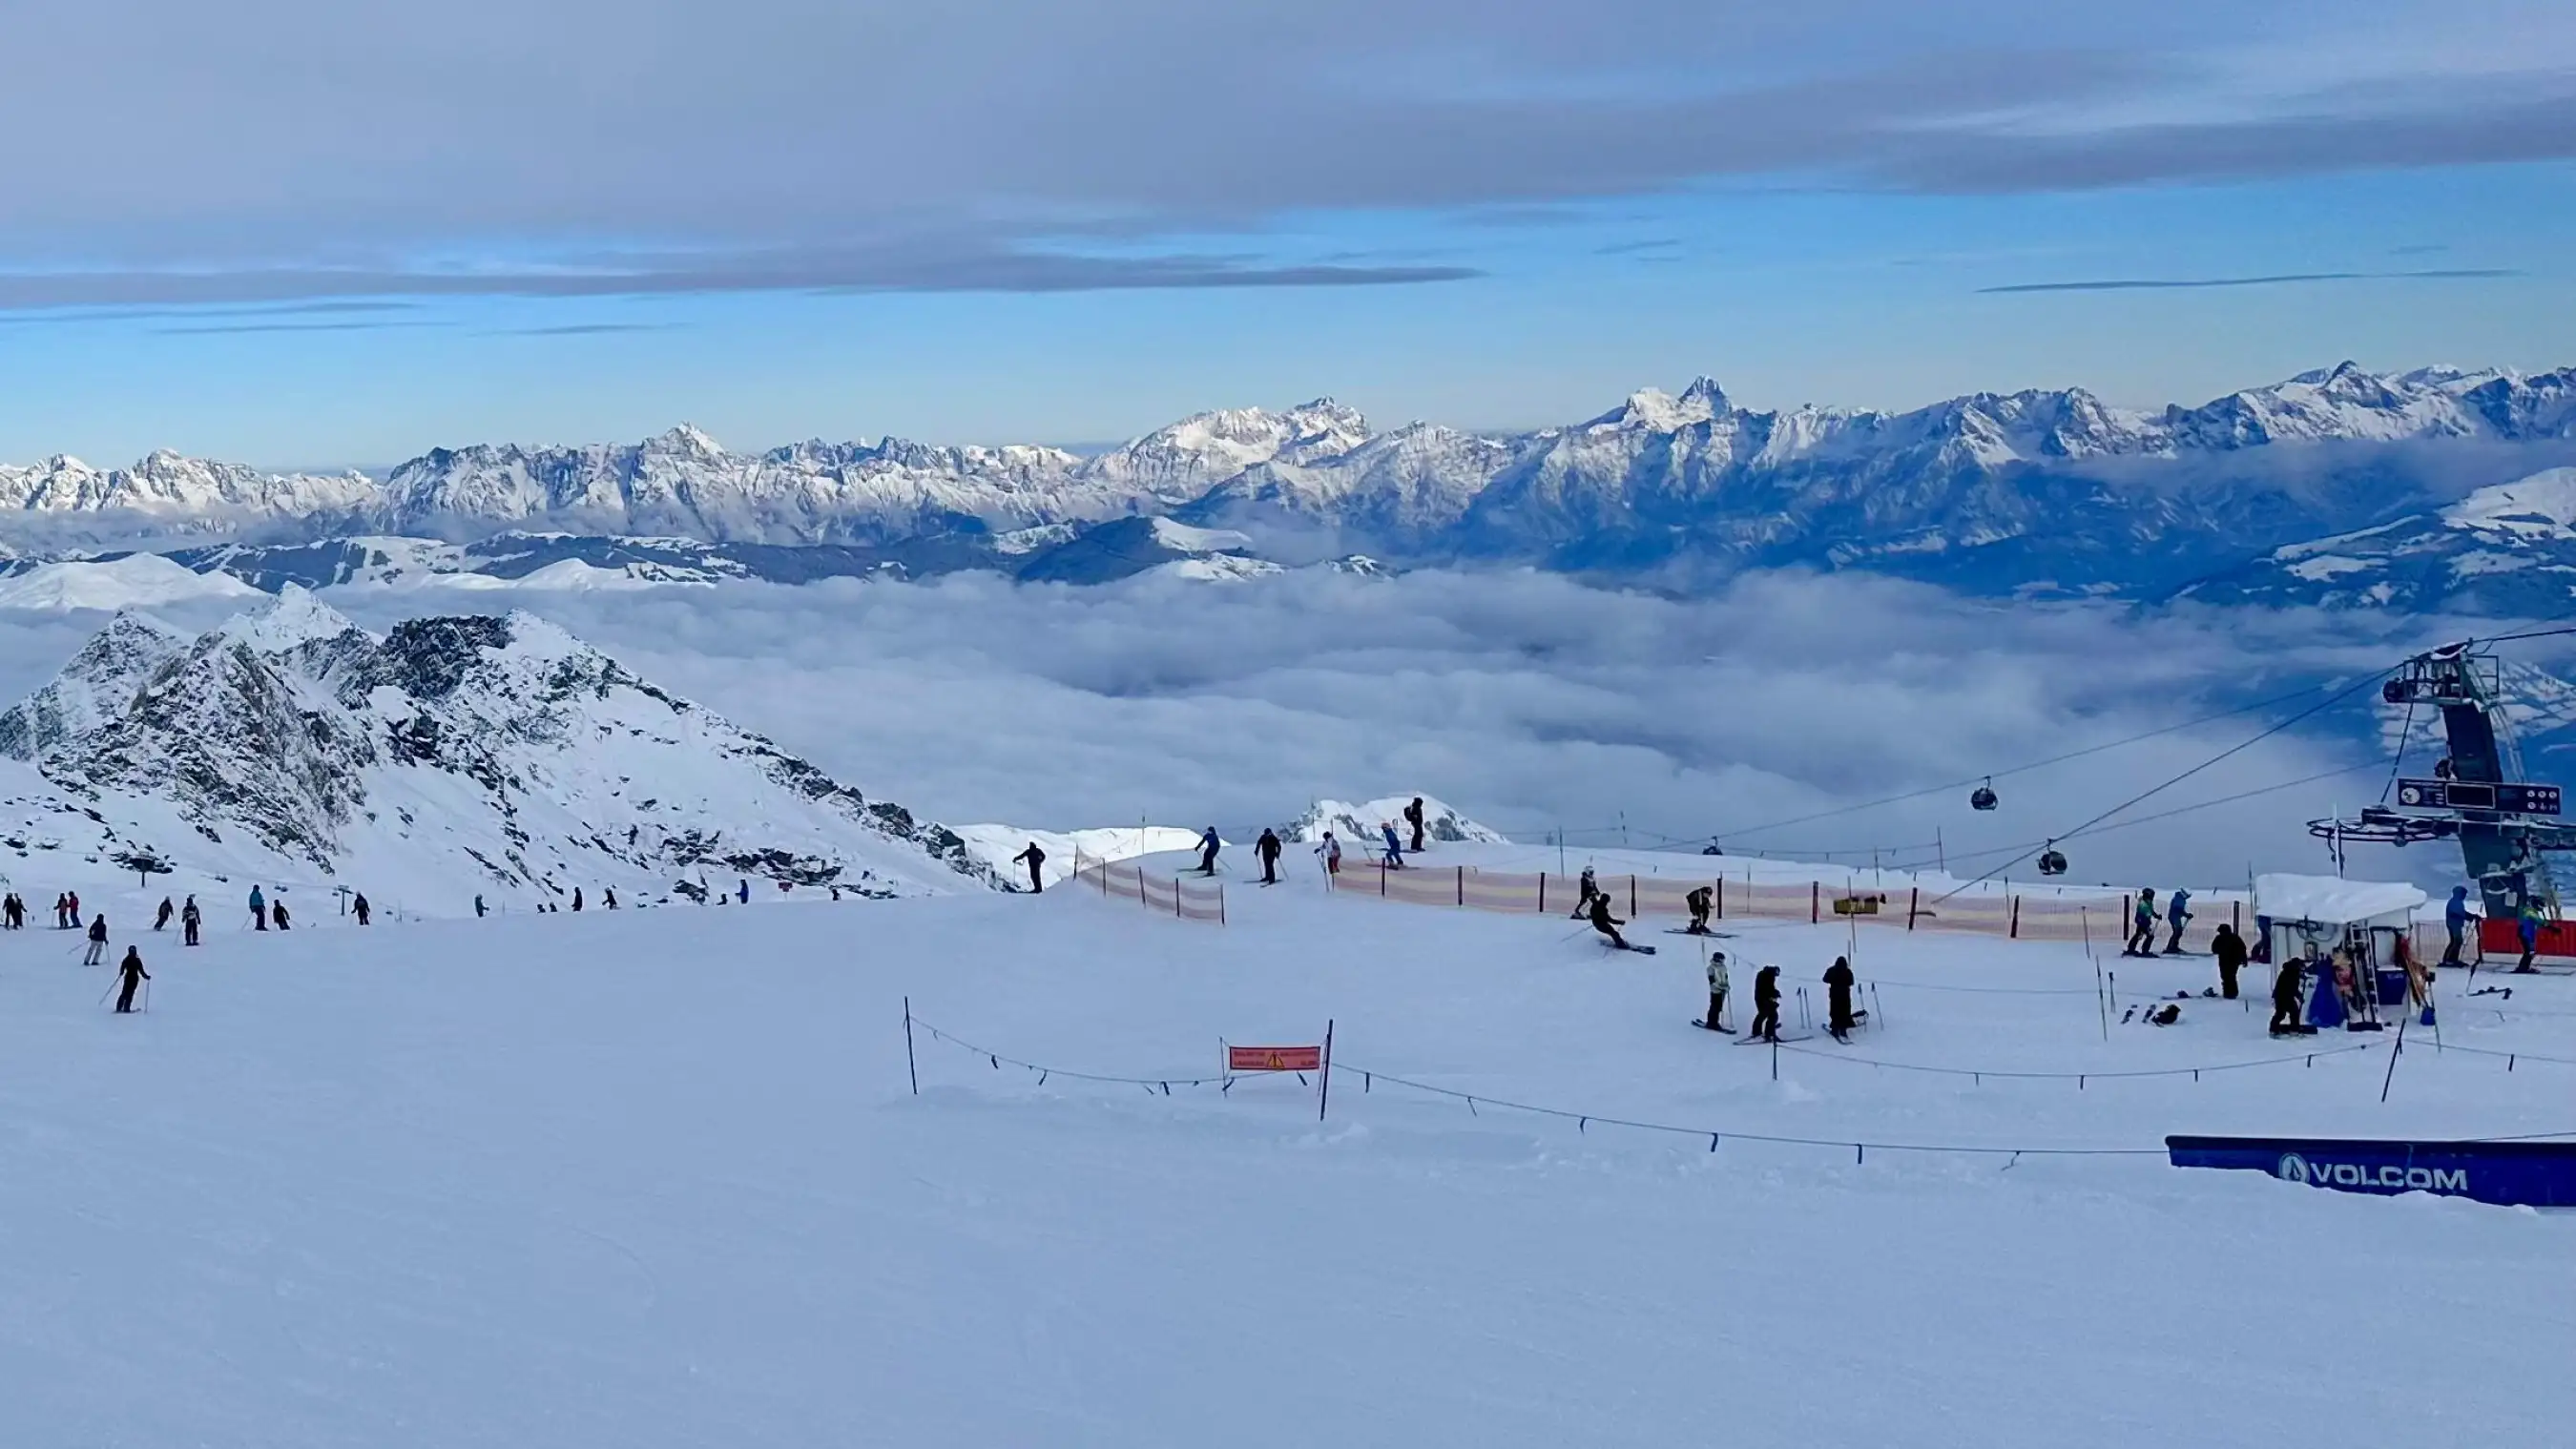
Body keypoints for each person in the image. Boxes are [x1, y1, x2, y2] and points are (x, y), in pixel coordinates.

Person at [2270, 951, 2310, 1035]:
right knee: (2287, 1013)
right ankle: (2292, 1030)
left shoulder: (2289, 971)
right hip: (2282, 997)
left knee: (2286, 1013)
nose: (2302, 970)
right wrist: (2299, 997)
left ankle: (2275, 1029)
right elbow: (2292, 988)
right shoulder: (2291, 974)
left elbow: (2292, 988)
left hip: (2285, 996)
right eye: (2301, 968)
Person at [1823, 955, 1858, 1042]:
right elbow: (1851, 982)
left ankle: (1835, 1029)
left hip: (1835, 994)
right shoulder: (1848, 971)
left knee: (1835, 1012)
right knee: (1844, 1012)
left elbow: (1825, 979)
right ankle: (1843, 1030)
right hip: (1845, 995)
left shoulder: (1832, 970)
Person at [2211, 921, 2248, 1000]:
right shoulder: (2235, 938)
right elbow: (2243, 949)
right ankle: (2232, 992)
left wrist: (2221, 950)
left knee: (2226, 976)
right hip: (2234, 960)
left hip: (2225, 960)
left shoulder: (2219, 938)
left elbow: (2214, 949)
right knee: (2231, 976)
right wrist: (2244, 960)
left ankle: (2228, 992)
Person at [2443, 885, 2478, 965]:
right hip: (2454, 924)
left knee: (2454, 942)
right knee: (2457, 941)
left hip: (2454, 924)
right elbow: (2457, 913)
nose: (2464, 896)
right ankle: (2450, 960)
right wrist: (2469, 916)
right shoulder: (2455, 902)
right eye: (2464, 894)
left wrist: (2471, 916)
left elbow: (2461, 913)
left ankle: (2450, 959)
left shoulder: (2456, 901)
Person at [1749, 964, 1783, 1043]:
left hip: (1763, 998)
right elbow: (1764, 989)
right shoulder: (1766, 976)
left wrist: (1775, 992)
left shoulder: (1768, 975)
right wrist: (1773, 994)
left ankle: (1758, 1031)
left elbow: (1770, 987)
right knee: (1772, 1015)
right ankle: (1769, 1033)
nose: (1777, 975)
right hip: (1763, 999)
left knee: (1764, 1014)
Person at [113, 945, 149, 1014]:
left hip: (128, 977)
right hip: (134, 978)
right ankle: (126, 1008)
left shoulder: (127, 959)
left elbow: (123, 966)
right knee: (130, 993)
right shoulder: (137, 960)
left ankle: (119, 1007)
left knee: (125, 992)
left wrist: (121, 972)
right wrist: (146, 976)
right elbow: (141, 970)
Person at [2124, 887, 2157, 957]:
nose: (2152, 897)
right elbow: (2141, 914)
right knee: (2150, 936)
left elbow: (2150, 911)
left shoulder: (2148, 902)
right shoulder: (2143, 903)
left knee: (2138, 935)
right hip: (2142, 922)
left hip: (2145, 922)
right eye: (2152, 895)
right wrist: (2142, 922)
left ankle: (2131, 949)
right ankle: (2144, 951)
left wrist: (2156, 915)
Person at [1702, 950, 1730, 1030]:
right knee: (1714, 1007)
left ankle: (1714, 1022)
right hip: (1715, 990)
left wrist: (1727, 985)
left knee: (1719, 1007)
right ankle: (1712, 1023)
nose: (1723, 961)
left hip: (1723, 990)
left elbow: (1725, 977)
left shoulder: (1723, 967)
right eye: (1722, 959)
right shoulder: (1711, 968)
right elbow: (1712, 981)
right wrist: (1721, 987)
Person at [2162, 887, 2192, 954]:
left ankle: (2173, 946)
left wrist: (2186, 914)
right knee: (2177, 932)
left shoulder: (2180, 898)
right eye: (2187, 896)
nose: (2187, 897)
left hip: (2176, 917)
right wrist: (2186, 915)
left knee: (2178, 932)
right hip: (2174, 917)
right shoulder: (2179, 899)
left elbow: (2180, 910)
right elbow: (2178, 909)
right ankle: (2171, 947)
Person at [2517, 900, 2543, 974]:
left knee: (2529, 952)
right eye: (2540, 906)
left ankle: (2524, 967)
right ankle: (2522, 968)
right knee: (2528, 952)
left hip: (2528, 933)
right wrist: (2551, 927)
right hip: (2525, 933)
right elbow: (2540, 921)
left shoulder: (2532, 911)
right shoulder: (2530, 912)